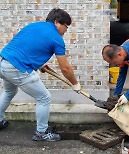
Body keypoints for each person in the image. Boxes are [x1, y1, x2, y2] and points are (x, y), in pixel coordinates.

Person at [0, 8, 81, 141]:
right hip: (16, 68)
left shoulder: (33, 26)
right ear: (56, 22)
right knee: (44, 98)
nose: (66, 30)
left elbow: (26, 48)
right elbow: (65, 68)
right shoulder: (57, 39)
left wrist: (39, 65)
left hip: (3, 61)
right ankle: (41, 133)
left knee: (9, 92)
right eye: (66, 26)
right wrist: (75, 84)